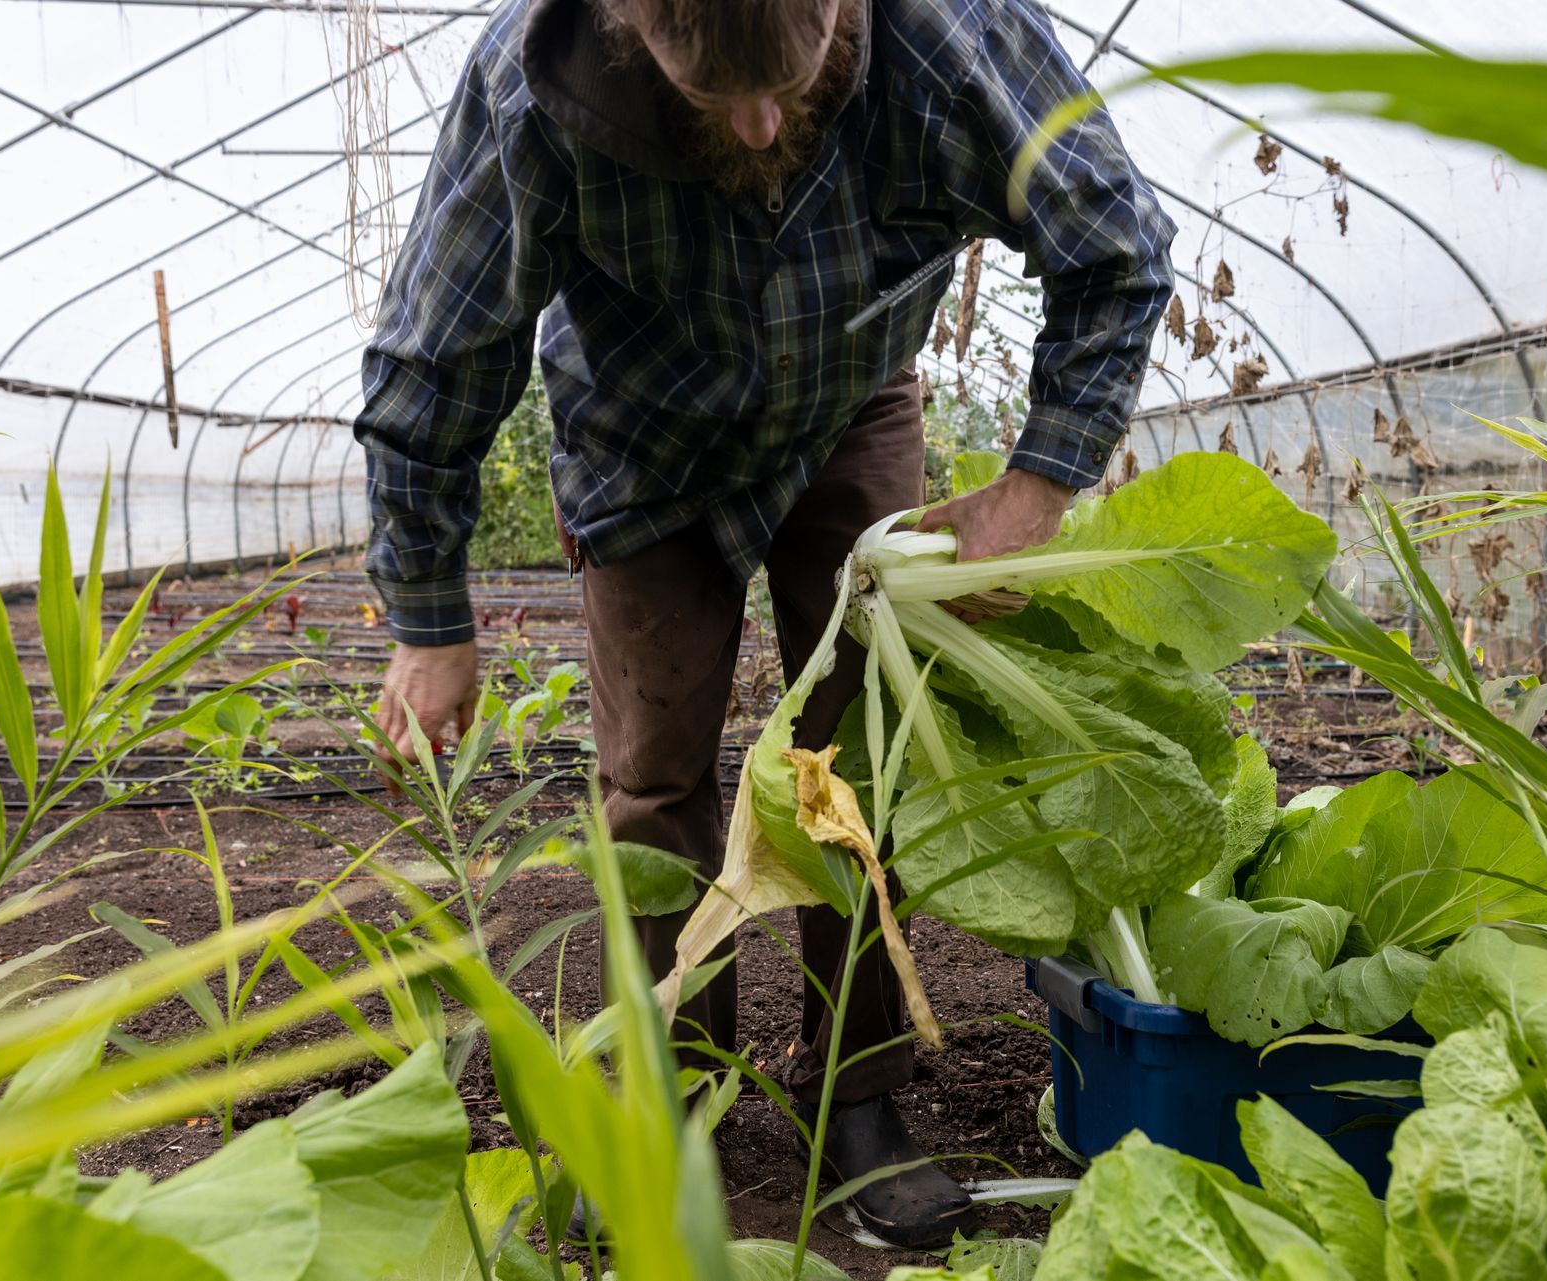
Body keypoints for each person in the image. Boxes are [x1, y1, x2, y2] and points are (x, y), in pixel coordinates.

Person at [354, 0, 1173, 1248]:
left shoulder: (948, 35)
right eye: (707, 93)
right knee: (654, 777)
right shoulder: (532, 89)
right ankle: (679, 1089)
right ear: (632, 25)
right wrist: (428, 617)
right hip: (638, 439)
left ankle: (858, 1095)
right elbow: (437, 358)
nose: (756, 122)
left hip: (847, 399)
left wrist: (1039, 484)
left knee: (851, 770)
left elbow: (1113, 245)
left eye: (791, 85)